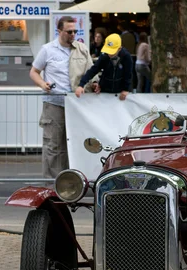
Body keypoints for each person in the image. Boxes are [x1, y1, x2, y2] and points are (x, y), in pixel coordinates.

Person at [30, 16, 93, 180]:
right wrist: (43, 84)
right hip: (54, 104)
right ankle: (52, 186)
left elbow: (91, 73)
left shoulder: (82, 49)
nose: (73, 34)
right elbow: (33, 72)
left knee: (75, 145)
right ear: (59, 31)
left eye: (75, 31)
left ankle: (71, 184)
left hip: (77, 106)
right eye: (69, 31)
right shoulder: (47, 49)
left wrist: (95, 84)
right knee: (53, 146)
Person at [75, 33, 133, 99]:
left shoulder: (126, 57)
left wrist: (126, 89)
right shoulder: (104, 56)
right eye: (108, 51)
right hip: (105, 90)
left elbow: (128, 74)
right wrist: (81, 85)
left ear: (119, 49)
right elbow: (93, 70)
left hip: (120, 91)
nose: (109, 54)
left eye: (112, 52)